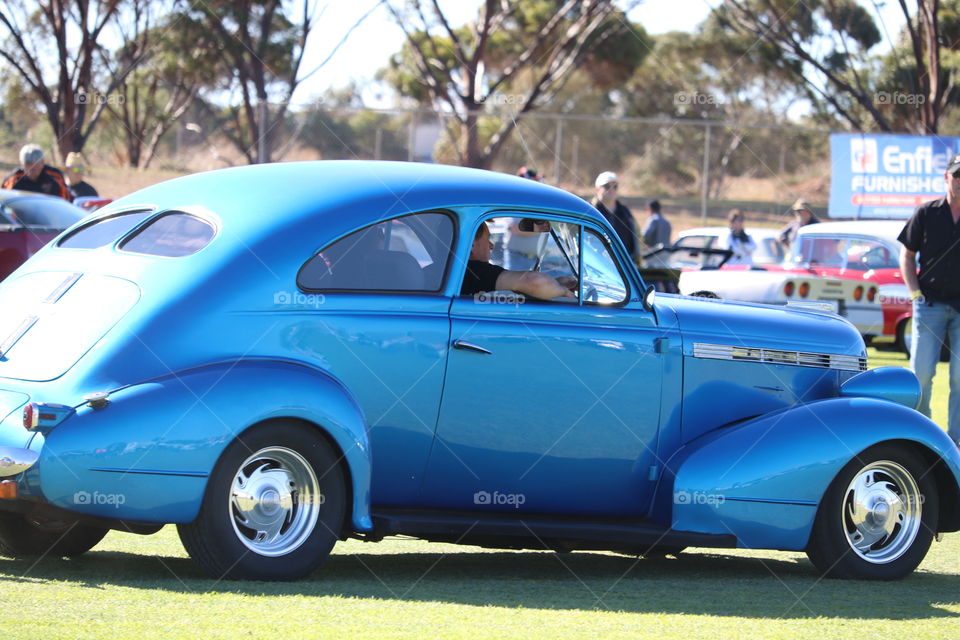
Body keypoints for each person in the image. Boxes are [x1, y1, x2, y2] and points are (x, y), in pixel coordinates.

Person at [898, 152, 960, 449]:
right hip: (930, 305)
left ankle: (956, 439)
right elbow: (907, 255)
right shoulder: (926, 213)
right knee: (921, 374)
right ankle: (921, 437)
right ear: (946, 177)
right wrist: (915, 293)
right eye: (957, 175)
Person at [461, 222, 575, 299]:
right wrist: (564, 292)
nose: (491, 246)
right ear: (471, 246)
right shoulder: (475, 271)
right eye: (487, 239)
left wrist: (557, 283)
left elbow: (521, 286)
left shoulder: (458, 270)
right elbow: (534, 282)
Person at [502, 167, 546, 269]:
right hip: (516, 258)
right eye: (534, 180)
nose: (537, 183)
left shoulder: (538, 203)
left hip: (536, 259)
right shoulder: (514, 201)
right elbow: (516, 228)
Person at [592, 171, 639, 263]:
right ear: (597, 189)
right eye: (607, 186)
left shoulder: (625, 212)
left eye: (615, 186)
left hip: (624, 265)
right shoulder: (591, 211)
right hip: (597, 264)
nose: (611, 190)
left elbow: (636, 237)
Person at [2, 144, 70, 200]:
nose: (32, 167)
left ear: (42, 163)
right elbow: (4, 202)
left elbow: (66, 201)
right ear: (22, 164)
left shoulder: (55, 176)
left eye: (36, 163)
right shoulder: (13, 179)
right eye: (28, 163)